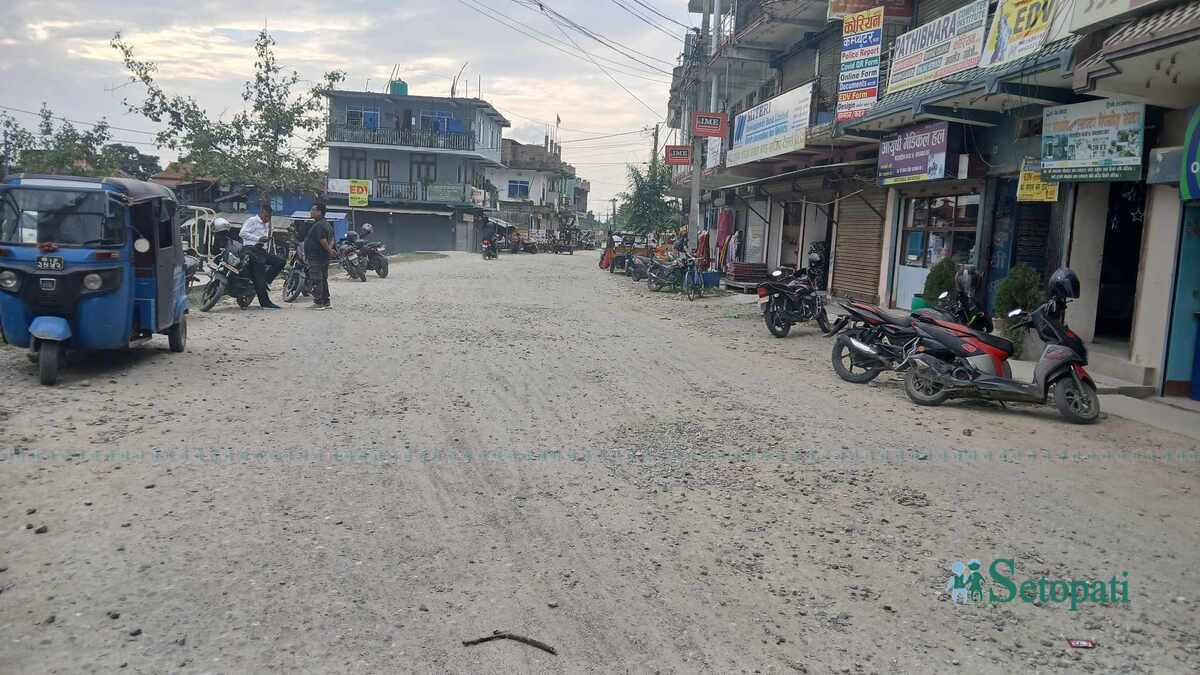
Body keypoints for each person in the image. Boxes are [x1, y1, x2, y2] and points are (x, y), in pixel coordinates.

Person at [239, 204, 283, 309]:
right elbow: (242, 233)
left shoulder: (267, 225)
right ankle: (265, 302)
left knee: (280, 261)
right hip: (250, 249)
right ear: (261, 213)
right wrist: (258, 238)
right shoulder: (252, 221)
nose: (267, 219)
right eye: (266, 216)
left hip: (261, 251)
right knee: (259, 275)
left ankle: (266, 281)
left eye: (269, 217)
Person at [303, 203, 336, 310]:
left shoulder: (319, 225)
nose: (311, 212)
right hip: (324, 256)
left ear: (319, 212)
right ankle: (326, 301)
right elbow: (332, 239)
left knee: (316, 278)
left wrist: (329, 249)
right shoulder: (327, 224)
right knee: (323, 278)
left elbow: (323, 240)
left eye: (313, 210)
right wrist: (329, 250)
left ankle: (318, 302)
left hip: (316, 256)